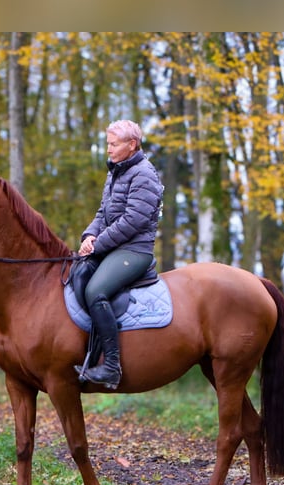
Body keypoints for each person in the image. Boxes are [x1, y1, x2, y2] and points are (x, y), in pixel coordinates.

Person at [75, 119, 164, 388]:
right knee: (75, 275)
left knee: (95, 291)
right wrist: (89, 236)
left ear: (132, 144)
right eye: (108, 144)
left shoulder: (144, 174)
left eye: (113, 145)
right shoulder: (116, 171)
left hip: (134, 251)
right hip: (110, 246)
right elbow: (103, 213)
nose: (109, 150)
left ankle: (111, 367)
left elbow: (132, 221)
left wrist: (98, 244)